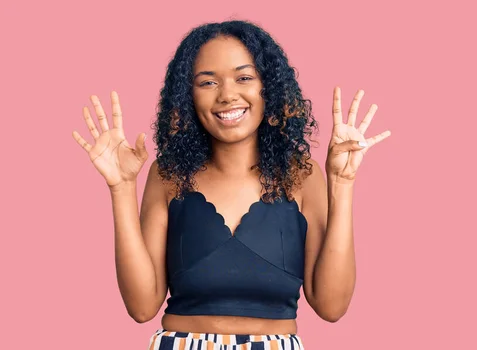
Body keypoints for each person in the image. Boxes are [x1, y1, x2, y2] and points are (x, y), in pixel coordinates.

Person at [72, 20, 390, 350]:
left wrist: (342, 183)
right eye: (208, 82)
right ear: (188, 96)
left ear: (269, 87)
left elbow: (332, 306)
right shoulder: (169, 175)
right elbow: (141, 308)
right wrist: (122, 187)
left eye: (244, 78)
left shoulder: (301, 176)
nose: (227, 95)